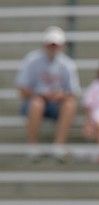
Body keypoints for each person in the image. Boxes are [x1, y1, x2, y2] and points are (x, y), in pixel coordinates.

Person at [15, 26, 80, 158]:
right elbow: (22, 89)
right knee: (37, 103)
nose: (53, 48)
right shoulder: (31, 60)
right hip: (34, 103)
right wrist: (40, 95)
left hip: (57, 104)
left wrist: (60, 96)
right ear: (44, 44)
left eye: (55, 45)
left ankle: (59, 145)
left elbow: (73, 92)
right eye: (50, 44)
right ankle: (32, 145)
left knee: (70, 104)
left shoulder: (67, 64)